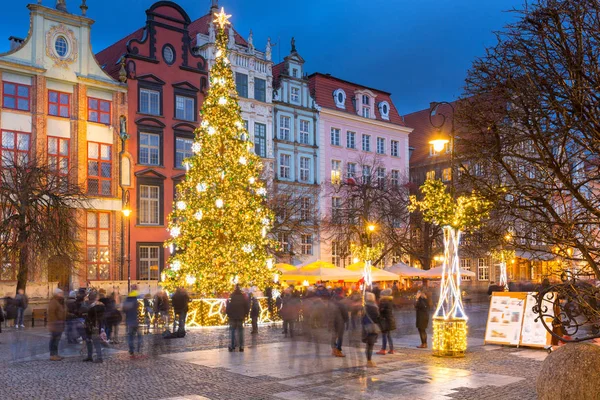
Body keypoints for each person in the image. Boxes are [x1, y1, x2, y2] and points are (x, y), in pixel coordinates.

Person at [226, 285, 249, 352]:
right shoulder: (242, 297)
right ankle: (241, 346)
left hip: (233, 317)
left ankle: (232, 346)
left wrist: (228, 314)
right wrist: (246, 314)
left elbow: (229, 306)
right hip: (240, 317)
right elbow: (246, 306)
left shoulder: (232, 296)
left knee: (232, 331)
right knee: (241, 331)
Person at [83, 292, 105, 363]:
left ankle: (98, 357)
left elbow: (89, 316)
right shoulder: (101, 305)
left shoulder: (92, 307)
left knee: (92, 341)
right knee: (91, 341)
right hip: (96, 325)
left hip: (92, 325)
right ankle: (91, 356)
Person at [47, 288, 66, 361]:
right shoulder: (54, 302)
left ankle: (55, 354)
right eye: (60, 293)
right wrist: (54, 323)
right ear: (57, 294)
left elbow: (62, 311)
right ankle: (53, 355)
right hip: (56, 324)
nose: (62, 294)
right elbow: (52, 313)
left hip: (59, 324)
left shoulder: (60, 301)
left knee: (56, 340)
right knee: (54, 340)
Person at [329, 288, 348, 357]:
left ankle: (334, 349)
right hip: (340, 321)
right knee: (340, 336)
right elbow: (344, 312)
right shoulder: (341, 300)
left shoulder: (331, 299)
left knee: (334, 335)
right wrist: (346, 319)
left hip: (332, 320)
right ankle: (338, 350)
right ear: (341, 293)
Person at [363, 292, 380, 367]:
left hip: (365, 327)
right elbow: (377, 318)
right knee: (371, 345)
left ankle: (368, 359)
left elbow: (361, 318)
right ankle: (369, 361)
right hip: (372, 328)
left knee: (368, 345)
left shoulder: (364, 307)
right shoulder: (374, 307)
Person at [376, 288, 396, 355]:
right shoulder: (389, 301)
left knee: (384, 335)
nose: (380, 296)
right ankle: (391, 349)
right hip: (389, 320)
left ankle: (383, 349)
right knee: (389, 335)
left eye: (381, 295)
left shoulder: (384, 302)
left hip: (385, 321)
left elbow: (381, 311)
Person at [123, 289, 142, 357]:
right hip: (135, 321)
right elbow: (137, 308)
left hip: (129, 322)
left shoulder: (126, 301)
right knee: (139, 335)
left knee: (130, 336)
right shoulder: (135, 302)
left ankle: (131, 349)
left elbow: (124, 310)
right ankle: (139, 347)